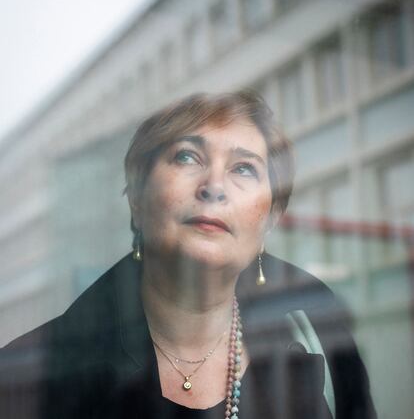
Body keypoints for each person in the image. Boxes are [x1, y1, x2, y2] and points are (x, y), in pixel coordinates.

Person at [0, 91, 376, 419]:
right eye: (187, 157)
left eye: (244, 168)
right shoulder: (27, 377)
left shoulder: (321, 336)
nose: (214, 186)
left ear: (270, 220)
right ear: (136, 196)